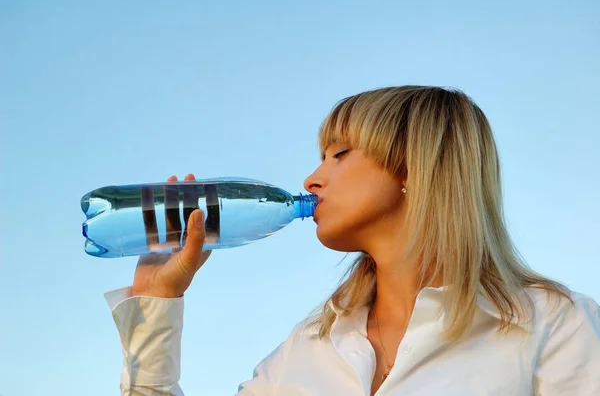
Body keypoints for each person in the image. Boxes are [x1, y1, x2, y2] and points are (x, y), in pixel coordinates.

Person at [104, 86, 600, 395]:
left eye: (339, 154)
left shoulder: (550, 325)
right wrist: (157, 301)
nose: (312, 178)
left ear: (412, 167)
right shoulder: (310, 349)